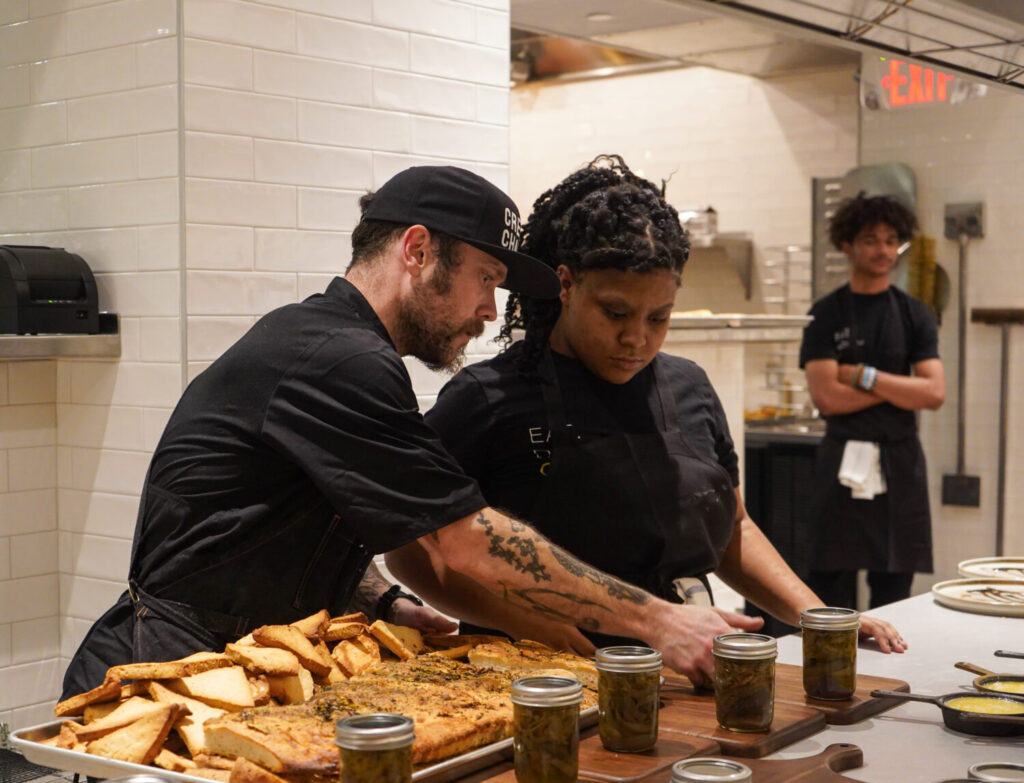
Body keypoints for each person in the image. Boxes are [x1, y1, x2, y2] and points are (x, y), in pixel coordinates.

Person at [61, 164, 772, 699]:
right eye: (487, 278)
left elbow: (288, 517)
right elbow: (465, 537)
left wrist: (383, 600)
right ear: (418, 250)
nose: (492, 311)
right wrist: (657, 621)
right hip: (164, 674)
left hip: (225, 667)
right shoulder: (340, 357)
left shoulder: (340, 348)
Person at [399, 156, 904, 689]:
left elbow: (731, 527)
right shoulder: (487, 399)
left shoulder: (689, 387)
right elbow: (412, 551)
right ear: (566, 285)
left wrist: (817, 617)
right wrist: (523, 621)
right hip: (537, 682)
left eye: (659, 317)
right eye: (615, 313)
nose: (637, 338)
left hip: (688, 674)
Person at [799, 192, 945, 611]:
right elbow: (827, 397)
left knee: (895, 591)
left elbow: (934, 392)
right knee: (829, 592)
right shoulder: (825, 314)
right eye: (870, 240)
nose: (882, 250)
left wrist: (863, 376)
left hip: (900, 464)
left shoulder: (915, 314)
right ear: (848, 245)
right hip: (841, 461)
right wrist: (900, 391)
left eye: (890, 240)